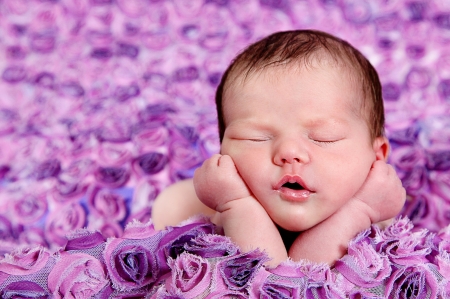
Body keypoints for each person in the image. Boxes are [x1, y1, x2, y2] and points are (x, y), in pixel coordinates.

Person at [152, 30, 406, 267]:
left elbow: (308, 278)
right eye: (255, 137)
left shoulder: (378, 215)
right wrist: (236, 204)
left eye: (324, 137)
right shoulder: (211, 217)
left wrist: (359, 209)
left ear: (376, 158)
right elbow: (267, 278)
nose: (289, 152)